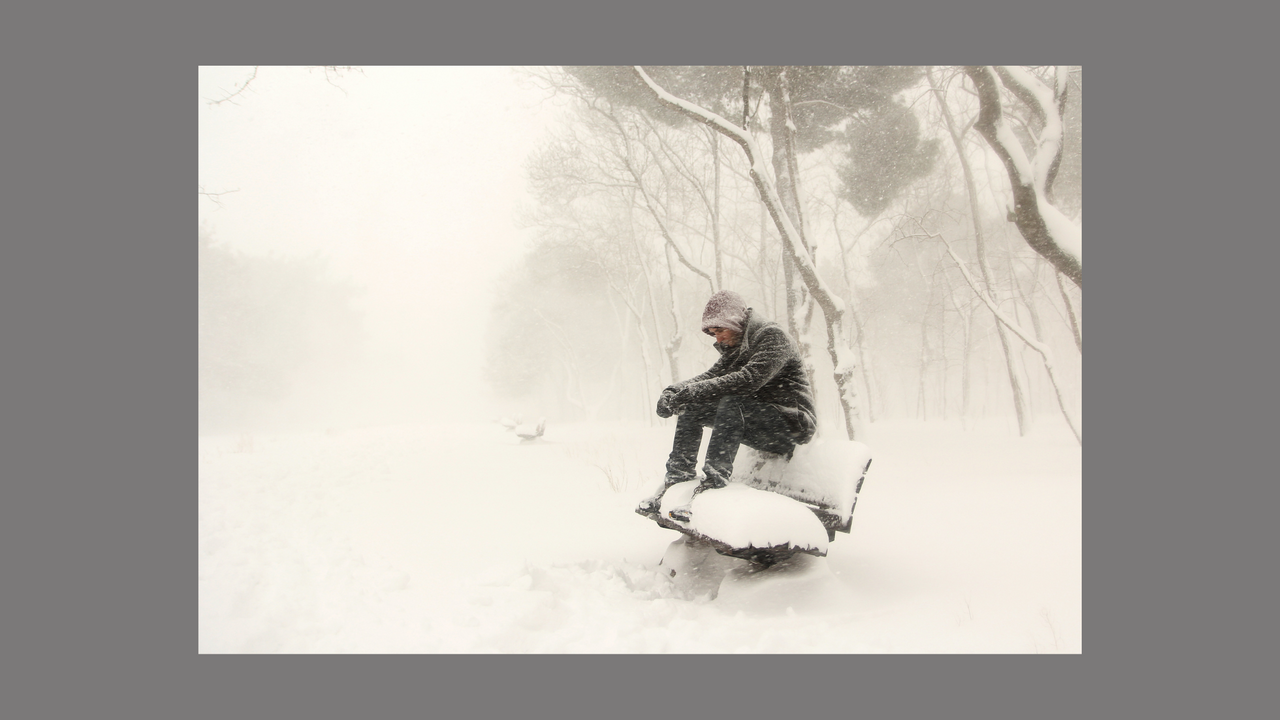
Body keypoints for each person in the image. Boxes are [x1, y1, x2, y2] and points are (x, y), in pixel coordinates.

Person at [638, 290, 817, 522]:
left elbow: (749, 379)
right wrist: (673, 391)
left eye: (720, 330)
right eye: (714, 334)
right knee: (692, 405)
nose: (718, 339)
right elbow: (710, 376)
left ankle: (713, 485)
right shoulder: (738, 346)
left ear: (736, 322)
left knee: (732, 400)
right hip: (760, 421)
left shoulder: (772, 337)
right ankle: (677, 480)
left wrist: (692, 392)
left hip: (793, 425)